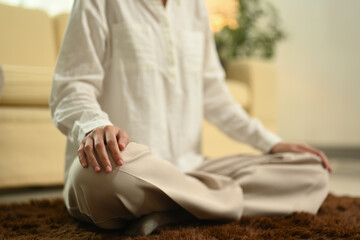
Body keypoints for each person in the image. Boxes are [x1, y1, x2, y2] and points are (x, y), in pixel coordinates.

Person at [50, 0, 332, 236]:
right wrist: (94, 126)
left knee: (311, 171)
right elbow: (71, 86)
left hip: (191, 168)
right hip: (129, 167)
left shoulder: (194, 5)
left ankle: (173, 211)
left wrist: (271, 143)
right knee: (95, 179)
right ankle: (198, 205)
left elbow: (215, 97)